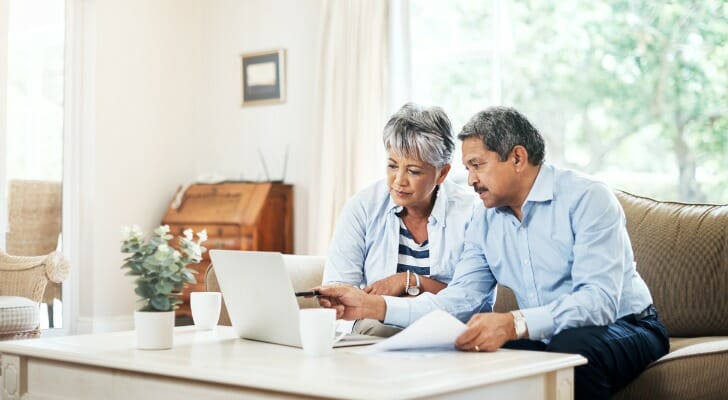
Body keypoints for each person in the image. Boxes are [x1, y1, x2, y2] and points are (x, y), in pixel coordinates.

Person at [318, 106, 669, 399]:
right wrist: (373, 306)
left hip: (627, 325)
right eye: (467, 168)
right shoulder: (485, 221)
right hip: (547, 333)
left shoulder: (587, 198)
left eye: (477, 165)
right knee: (487, 361)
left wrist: (515, 322)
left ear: (517, 157)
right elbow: (460, 300)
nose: (469, 180)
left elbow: (598, 302)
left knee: (572, 349)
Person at [322, 103, 480, 337]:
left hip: (445, 329)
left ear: (442, 173)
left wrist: (409, 281)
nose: (399, 180)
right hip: (375, 330)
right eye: (392, 165)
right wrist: (426, 289)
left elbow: (472, 301)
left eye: (414, 171)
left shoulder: (471, 214)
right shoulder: (363, 207)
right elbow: (338, 292)